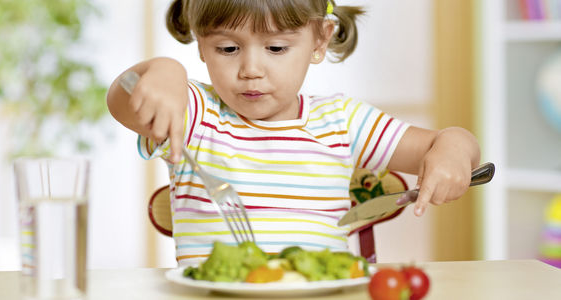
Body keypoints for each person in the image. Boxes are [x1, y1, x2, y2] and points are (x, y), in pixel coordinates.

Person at [106, 0, 480, 266]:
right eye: (228, 48)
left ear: (320, 39)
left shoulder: (342, 121)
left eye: (276, 47)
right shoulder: (195, 115)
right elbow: (125, 100)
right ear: (202, 44)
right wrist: (164, 71)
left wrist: (455, 150)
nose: (251, 68)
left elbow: (442, 141)